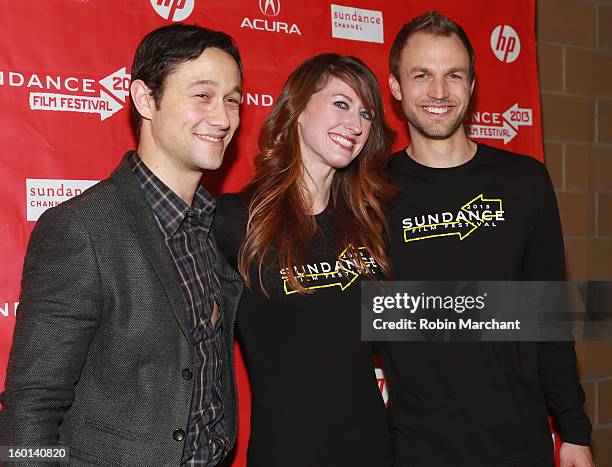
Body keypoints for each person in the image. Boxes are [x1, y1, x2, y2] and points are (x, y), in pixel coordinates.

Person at [0, 24, 243, 466]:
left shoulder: (217, 227)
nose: (223, 117)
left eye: (232, 99)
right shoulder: (80, 229)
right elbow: (30, 410)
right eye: (202, 95)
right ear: (145, 99)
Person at [381, 11, 594, 467]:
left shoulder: (525, 181)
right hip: (415, 447)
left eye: (453, 75)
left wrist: (574, 430)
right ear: (396, 86)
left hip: (516, 444)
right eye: (422, 75)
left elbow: (548, 315)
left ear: (472, 85)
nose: (439, 92)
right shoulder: (370, 191)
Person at [214, 53, 395, 467]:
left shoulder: (370, 223)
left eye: (367, 113)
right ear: (296, 109)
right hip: (287, 451)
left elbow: (406, 332)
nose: (356, 124)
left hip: (372, 449)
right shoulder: (236, 220)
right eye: (340, 104)